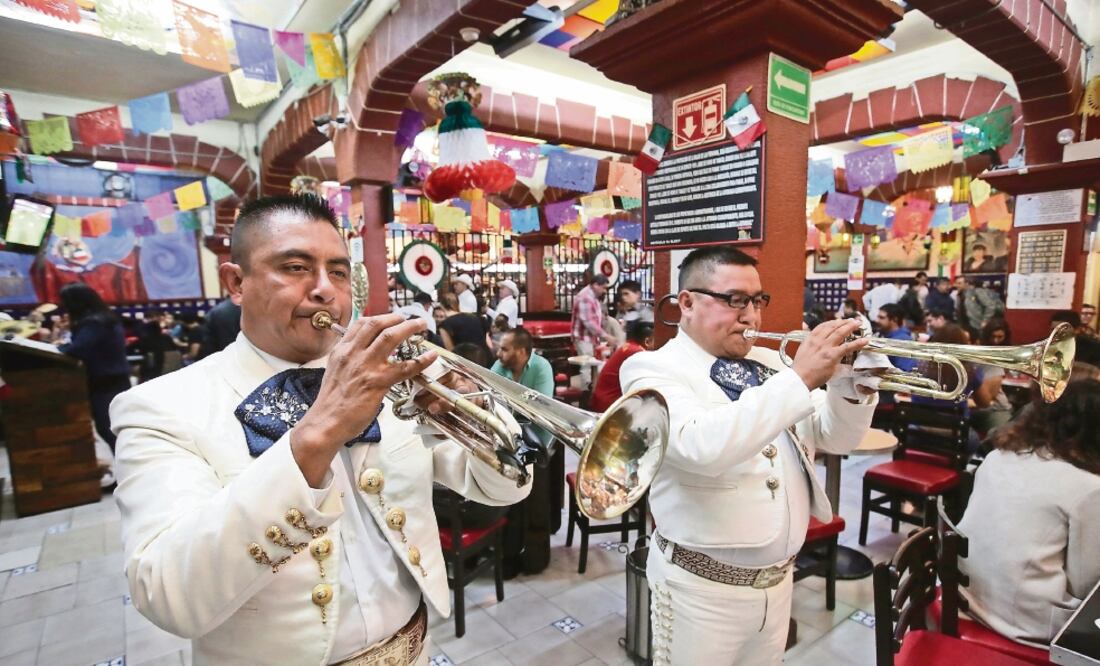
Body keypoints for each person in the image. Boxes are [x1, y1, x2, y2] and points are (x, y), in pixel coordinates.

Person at [111, 195, 531, 665]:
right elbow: (168, 597)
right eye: (294, 267)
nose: (324, 290)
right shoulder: (158, 407)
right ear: (236, 282)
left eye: (338, 272)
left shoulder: (389, 380)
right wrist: (316, 436)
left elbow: (503, 489)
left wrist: (469, 412)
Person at [619, 246, 878, 665]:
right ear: (687, 303)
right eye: (735, 300)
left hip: (778, 584)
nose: (751, 316)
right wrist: (800, 378)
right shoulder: (651, 368)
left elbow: (835, 437)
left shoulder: (770, 362)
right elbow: (700, 447)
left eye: (757, 301)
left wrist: (854, 385)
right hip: (698, 591)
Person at [958, 378, 1100, 647]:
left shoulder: (1000, 455)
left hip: (968, 596)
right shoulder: (1088, 488)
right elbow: (1086, 586)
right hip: (1026, 622)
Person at [489, 326, 558, 575]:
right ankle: (509, 555)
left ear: (521, 352)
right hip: (512, 441)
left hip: (538, 442)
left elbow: (538, 410)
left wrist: (507, 406)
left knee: (536, 504)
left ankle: (536, 559)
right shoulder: (501, 367)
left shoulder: (541, 367)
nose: (498, 353)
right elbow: (489, 397)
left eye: (504, 349)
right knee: (511, 500)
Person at [57, 283, 130, 451]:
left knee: (110, 429)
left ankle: (125, 473)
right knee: (115, 430)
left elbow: (78, 349)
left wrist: (62, 348)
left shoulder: (94, 323)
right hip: (115, 378)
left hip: (105, 382)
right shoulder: (105, 318)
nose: (64, 307)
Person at [589, 320, 653, 412]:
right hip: (610, 404)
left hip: (602, 398)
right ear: (647, 341)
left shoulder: (629, 346)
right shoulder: (637, 352)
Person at [970, 318, 1013, 435]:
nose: (995, 340)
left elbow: (987, 399)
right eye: (992, 336)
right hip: (971, 408)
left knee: (1002, 437)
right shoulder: (978, 351)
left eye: (1000, 337)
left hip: (995, 408)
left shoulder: (996, 362)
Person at [570, 274, 615, 358]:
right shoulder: (585, 297)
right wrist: (606, 336)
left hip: (589, 338)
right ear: (595, 285)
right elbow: (589, 323)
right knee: (586, 367)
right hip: (583, 338)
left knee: (592, 364)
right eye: (603, 288)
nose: (605, 291)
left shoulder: (592, 296)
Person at [874, 303, 918, 373]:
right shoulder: (882, 335)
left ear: (894, 319)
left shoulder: (903, 340)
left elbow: (904, 372)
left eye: (881, 318)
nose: (877, 320)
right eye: (878, 317)